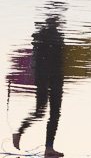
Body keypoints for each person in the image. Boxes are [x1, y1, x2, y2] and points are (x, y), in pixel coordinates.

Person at [12, 14, 64, 158]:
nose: (57, 23)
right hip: (46, 76)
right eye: (55, 21)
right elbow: (37, 60)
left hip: (55, 76)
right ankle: (20, 133)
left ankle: (49, 148)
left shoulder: (56, 35)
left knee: (53, 112)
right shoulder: (43, 37)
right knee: (42, 110)